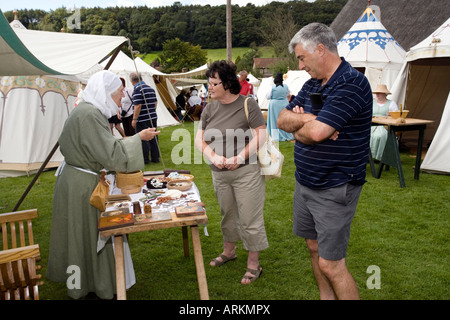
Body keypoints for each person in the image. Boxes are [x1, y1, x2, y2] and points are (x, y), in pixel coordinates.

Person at [277, 23, 373, 300]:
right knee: (313, 248)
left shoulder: (352, 83)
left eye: (302, 57)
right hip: (305, 183)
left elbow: (317, 134)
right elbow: (282, 120)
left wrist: (309, 128)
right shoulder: (311, 84)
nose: (300, 64)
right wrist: (308, 120)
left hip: (334, 186)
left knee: (331, 264)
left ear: (320, 49)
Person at [47, 70, 160, 299]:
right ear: (106, 92)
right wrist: (139, 138)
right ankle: (89, 284)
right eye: (119, 93)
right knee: (84, 237)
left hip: (80, 180)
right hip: (82, 187)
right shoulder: (89, 114)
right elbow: (110, 154)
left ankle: (93, 281)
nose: (122, 97)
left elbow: (102, 147)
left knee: (85, 236)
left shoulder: (91, 111)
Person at [195, 60, 268, 285]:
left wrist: (239, 158)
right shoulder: (209, 107)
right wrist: (214, 157)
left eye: (214, 83)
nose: (210, 87)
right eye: (209, 83)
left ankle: (254, 265)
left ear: (227, 84)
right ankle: (230, 252)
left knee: (249, 218)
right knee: (227, 214)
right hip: (219, 173)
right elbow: (199, 138)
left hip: (246, 172)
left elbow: (261, 135)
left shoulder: (248, 104)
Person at [130, 72, 159, 164]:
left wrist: (134, 119)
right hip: (153, 117)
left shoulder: (137, 89)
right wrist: (151, 111)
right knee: (154, 137)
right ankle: (155, 158)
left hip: (142, 119)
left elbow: (138, 105)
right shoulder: (150, 88)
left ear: (132, 81)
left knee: (143, 138)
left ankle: (145, 159)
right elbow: (155, 103)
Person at [370, 84, 399, 160]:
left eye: (379, 93)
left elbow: (396, 116)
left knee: (380, 136)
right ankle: (367, 157)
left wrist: (390, 116)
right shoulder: (372, 102)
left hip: (384, 126)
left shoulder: (391, 104)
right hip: (371, 125)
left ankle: (379, 156)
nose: (377, 94)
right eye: (377, 93)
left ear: (384, 94)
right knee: (366, 135)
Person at [266, 72, 294, 141]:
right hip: (284, 104)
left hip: (274, 105)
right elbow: (289, 93)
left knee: (274, 120)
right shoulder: (286, 86)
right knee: (284, 120)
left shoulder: (272, 88)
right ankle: (286, 133)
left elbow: (267, 96)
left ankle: (275, 135)